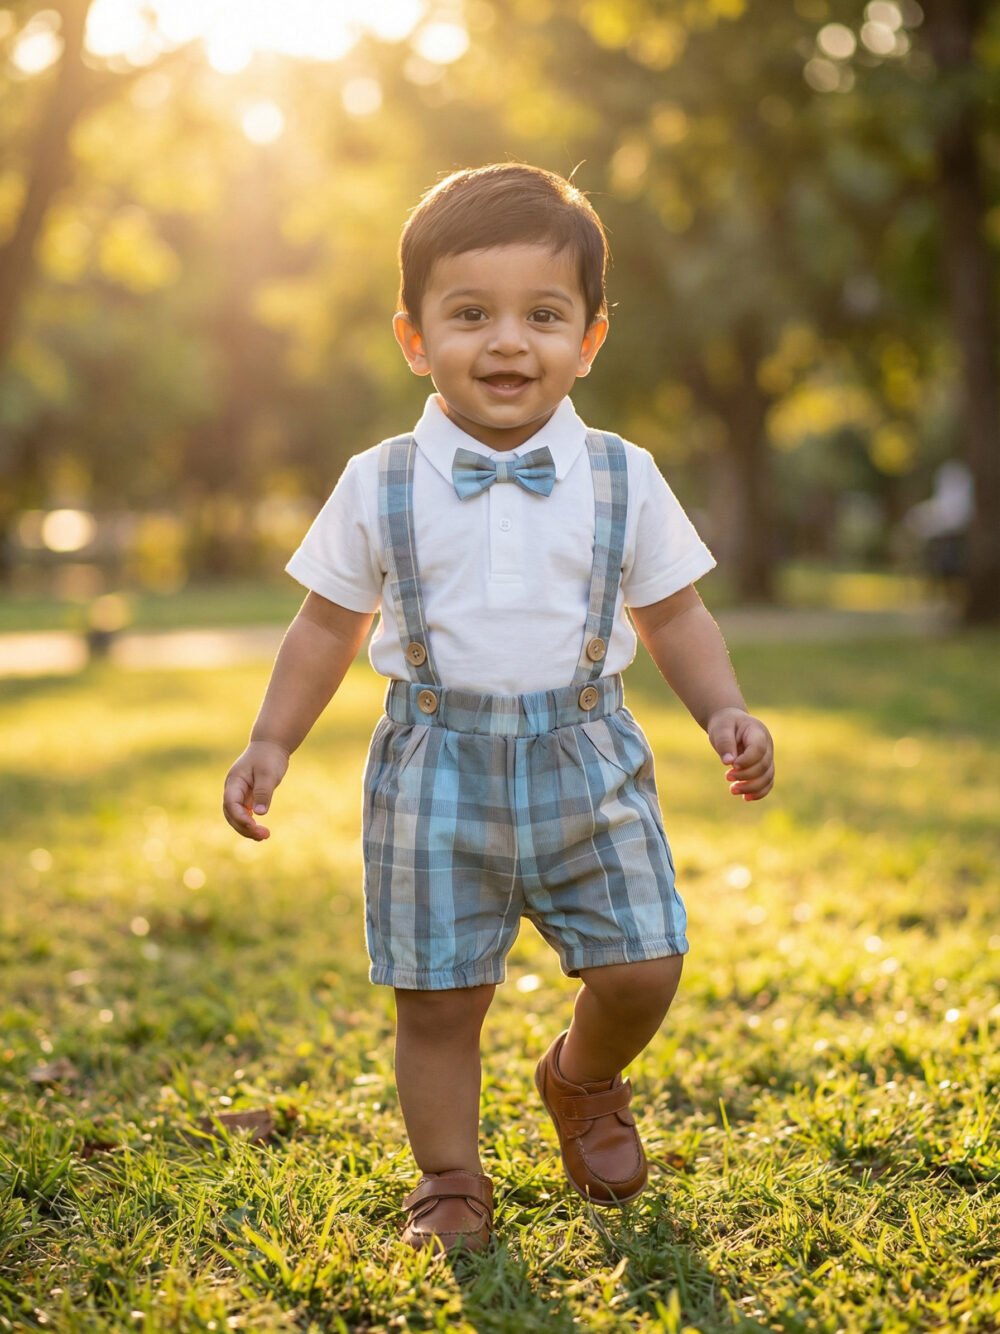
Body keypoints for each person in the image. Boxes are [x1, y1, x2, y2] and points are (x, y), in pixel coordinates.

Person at [223, 163, 774, 1254]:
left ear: (590, 338)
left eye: (543, 314)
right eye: (470, 314)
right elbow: (324, 626)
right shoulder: (380, 479)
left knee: (643, 960)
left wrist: (725, 711)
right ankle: (450, 1179)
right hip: (433, 765)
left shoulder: (622, 474)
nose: (508, 341)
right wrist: (270, 739)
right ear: (414, 337)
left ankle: (583, 1075)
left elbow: (674, 614)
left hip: (588, 755)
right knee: (437, 995)